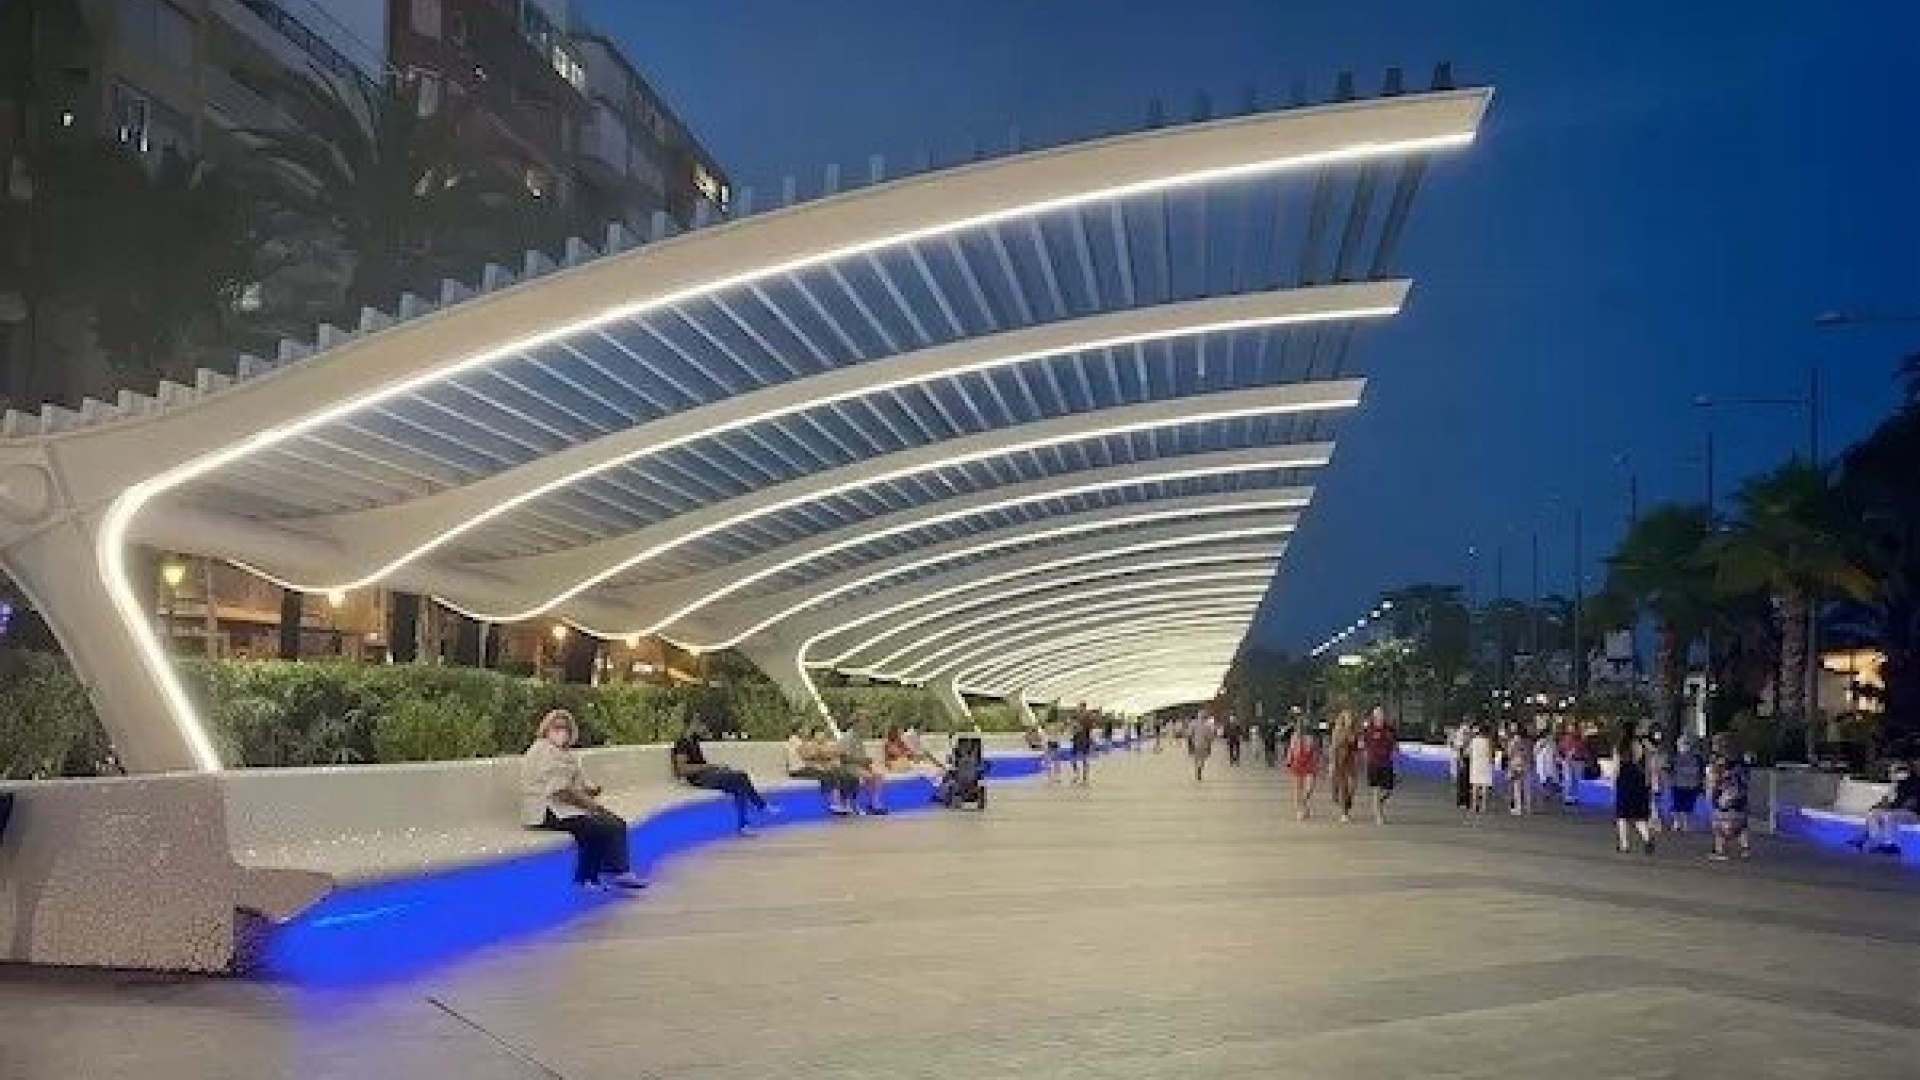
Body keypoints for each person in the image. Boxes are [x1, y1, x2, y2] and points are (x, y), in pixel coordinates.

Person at [520, 709, 648, 891]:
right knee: (608, 825)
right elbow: (560, 791)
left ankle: (591, 878)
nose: (561, 732)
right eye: (556, 727)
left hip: (561, 808)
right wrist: (591, 805)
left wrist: (590, 792)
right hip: (546, 811)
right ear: (546, 728)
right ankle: (616, 872)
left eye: (565, 728)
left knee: (603, 825)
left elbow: (575, 784)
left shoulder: (563, 753)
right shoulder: (543, 750)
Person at [672, 718, 777, 835]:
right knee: (741, 776)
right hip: (698, 778)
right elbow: (683, 769)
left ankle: (744, 825)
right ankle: (761, 805)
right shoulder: (682, 743)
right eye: (700, 724)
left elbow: (708, 742)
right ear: (691, 724)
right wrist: (710, 766)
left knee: (739, 787)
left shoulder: (694, 741)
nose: (703, 727)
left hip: (707, 774)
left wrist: (718, 768)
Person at [785, 722, 857, 816]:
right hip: (798, 769)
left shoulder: (802, 741)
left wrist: (825, 755)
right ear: (799, 730)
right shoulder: (795, 740)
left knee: (847, 776)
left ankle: (845, 803)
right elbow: (807, 755)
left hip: (806, 767)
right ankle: (834, 803)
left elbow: (816, 755)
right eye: (805, 729)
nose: (807, 731)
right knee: (828, 775)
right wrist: (822, 755)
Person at [1854, 759, 1920, 855]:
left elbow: (1911, 803)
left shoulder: (1916, 783)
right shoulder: (1900, 783)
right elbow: (1888, 800)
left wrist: (1891, 808)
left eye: (1894, 771)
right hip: (1898, 811)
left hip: (1913, 814)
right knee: (1874, 813)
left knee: (1889, 816)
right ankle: (1874, 840)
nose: (1892, 774)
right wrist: (1877, 807)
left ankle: (1891, 845)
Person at [1611, 720, 1657, 855]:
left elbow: (1616, 767)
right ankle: (1647, 838)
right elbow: (1652, 760)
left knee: (1622, 816)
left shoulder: (1620, 746)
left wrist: (1613, 782)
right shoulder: (1644, 744)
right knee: (1639, 816)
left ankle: (1624, 845)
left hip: (1625, 782)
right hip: (1640, 782)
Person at [1705, 734, 1751, 862]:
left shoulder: (1718, 762)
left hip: (1724, 798)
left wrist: (1712, 791)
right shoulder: (1741, 762)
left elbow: (1715, 780)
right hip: (1740, 799)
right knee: (1741, 826)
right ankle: (1745, 850)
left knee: (1718, 827)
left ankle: (1720, 851)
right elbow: (1745, 780)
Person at [836, 714, 891, 814]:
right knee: (870, 777)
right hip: (850, 768)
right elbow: (843, 758)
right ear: (856, 723)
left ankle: (874, 803)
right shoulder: (847, 737)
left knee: (878, 776)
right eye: (863, 723)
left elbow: (862, 758)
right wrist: (861, 761)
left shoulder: (858, 738)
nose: (865, 725)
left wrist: (867, 764)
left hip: (859, 767)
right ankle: (871, 805)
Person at [1360, 707, 1398, 825]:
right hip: (1373, 762)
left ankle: (1378, 804)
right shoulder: (1368, 729)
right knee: (1376, 789)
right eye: (1377, 714)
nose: (1380, 716)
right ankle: (1378, 814)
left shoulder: (1390, 729)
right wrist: (1365, 752)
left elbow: (1395, 743)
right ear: (1374, 716)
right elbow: (1362, 742)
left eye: (1381, 714)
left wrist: (1396, 750)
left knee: (1388, 790)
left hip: (1387, 762)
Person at [1665, 734, 1707, 833]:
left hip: (1684, 785)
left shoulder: (1677, 758)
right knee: (1683, 806)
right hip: (1685, 785)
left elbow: (1670, 769)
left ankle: (1681, 824)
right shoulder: (1678, 757)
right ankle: (1682, 824)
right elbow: (1701, 772)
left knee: (1682, 806)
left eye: (1681, 744)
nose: (1679, 746)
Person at [1328, 709, 1360, 822]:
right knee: (1343, 787)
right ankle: (1344, 813)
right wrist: (1332, 764)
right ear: (1342, 719)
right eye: (1347, 717)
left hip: (1351, 761)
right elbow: (1333, 748)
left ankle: (1347, 802)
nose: (1349, 719)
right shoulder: (1337, 731)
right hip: (1340, 761)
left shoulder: (1355, 731)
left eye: (1350, 717)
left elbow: (1357, 747)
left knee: (1352, 786)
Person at [1284, 721, 1320, 820]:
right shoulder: (1294, 738)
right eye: (1299, 727)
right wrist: (1288, 761)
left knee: (1309, 788)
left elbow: (1315, 751)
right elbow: (1291, 750)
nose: (1301, 729)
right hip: (1297, 764)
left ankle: (1304, 802)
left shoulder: (1311, 738)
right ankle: (1299, 810)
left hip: (1309, 765)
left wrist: (1317, 763)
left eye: (1303, 727)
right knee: (1298, 789)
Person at [1504, 723, 1534, 816]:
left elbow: (1509, 753)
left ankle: (1518, 808)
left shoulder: (1513, 741)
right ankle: (1528, 807)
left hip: (1516, 765)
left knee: (1517, 787)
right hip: (1526, 765)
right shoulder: (1528, 741)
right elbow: (1530, 753)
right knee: (1527, 787)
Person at [1644, 727, 1670, 831]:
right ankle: (1654, 820)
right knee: (1652, 800)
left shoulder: (1661, 751)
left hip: (1656, 778)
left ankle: (1655, 821)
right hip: (1651, 777)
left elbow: (1664, 765)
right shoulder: (1648, 751)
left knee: (1655, 800)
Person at [1467, 721, 1496, 815]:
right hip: (1485, 764)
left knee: (1475, 786)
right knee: (1484, 787)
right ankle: (1483, 807)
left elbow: (1468, 752)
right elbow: (1491, 755)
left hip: (1475, 764)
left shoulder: (1473, 740)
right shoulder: (1488, 741)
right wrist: (1491, 762)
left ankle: (1474, 806)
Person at [1557, 722, 1586, 806]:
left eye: (1574, 728)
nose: (1573, 730)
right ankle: (1568, 797)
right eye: (1571, 728)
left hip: (1579, 761)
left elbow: (1584, 751)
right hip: (1568, 761)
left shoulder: (1581, 739)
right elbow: (1560, 750)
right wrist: (1563, 758)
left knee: (1577, 779)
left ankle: (1576, 797)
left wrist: (1584, 759)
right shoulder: (1565, 739)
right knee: (1568, 779)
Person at [1449, 720, 1474, 811]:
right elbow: (1459, 747)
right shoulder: (1464, 732)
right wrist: (1461, 759)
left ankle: (1463, 801)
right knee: (1464, 781)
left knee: (1464, 781)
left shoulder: (1463, 732)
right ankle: (1463, 802)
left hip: (1464, 758)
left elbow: (1455, 745)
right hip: (1463, 758)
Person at [1187, 711, 1217, 782]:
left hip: (1195, 744)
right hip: (1204, 745)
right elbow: (1210, 737)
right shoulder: (1207, 726)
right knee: (1203, 759)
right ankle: (1200, 768)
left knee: (1196, 759)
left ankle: (1198, 768)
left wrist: (1190, 746)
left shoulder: (1193, 724)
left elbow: (1189, 735)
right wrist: (1209, 746)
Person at [1070, 707, 1095, 785]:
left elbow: (1077, 731)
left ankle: (1082, 777)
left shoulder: (1086, 722)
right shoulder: (1080, 721)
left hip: (1082, 742)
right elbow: (1074, 732)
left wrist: (1075, 728)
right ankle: (1079, 776)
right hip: (1079, 742)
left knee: (1082, 760)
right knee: (1077, 759)